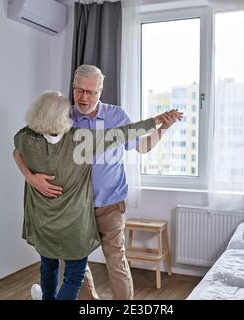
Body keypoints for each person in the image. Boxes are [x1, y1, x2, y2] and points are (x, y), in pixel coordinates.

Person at [14, 65, 180, 300]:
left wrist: (162, 129)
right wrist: (30, 177)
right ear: (73, 88)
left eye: (91, 92)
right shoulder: (61, 115)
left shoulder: (116, 115)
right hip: (72, 209)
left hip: (110, 203)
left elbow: (141, 146)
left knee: (116, 259)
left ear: (101, 91)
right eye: (79, 90)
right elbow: (21, 148)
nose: (84, 97)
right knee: (75, 264)